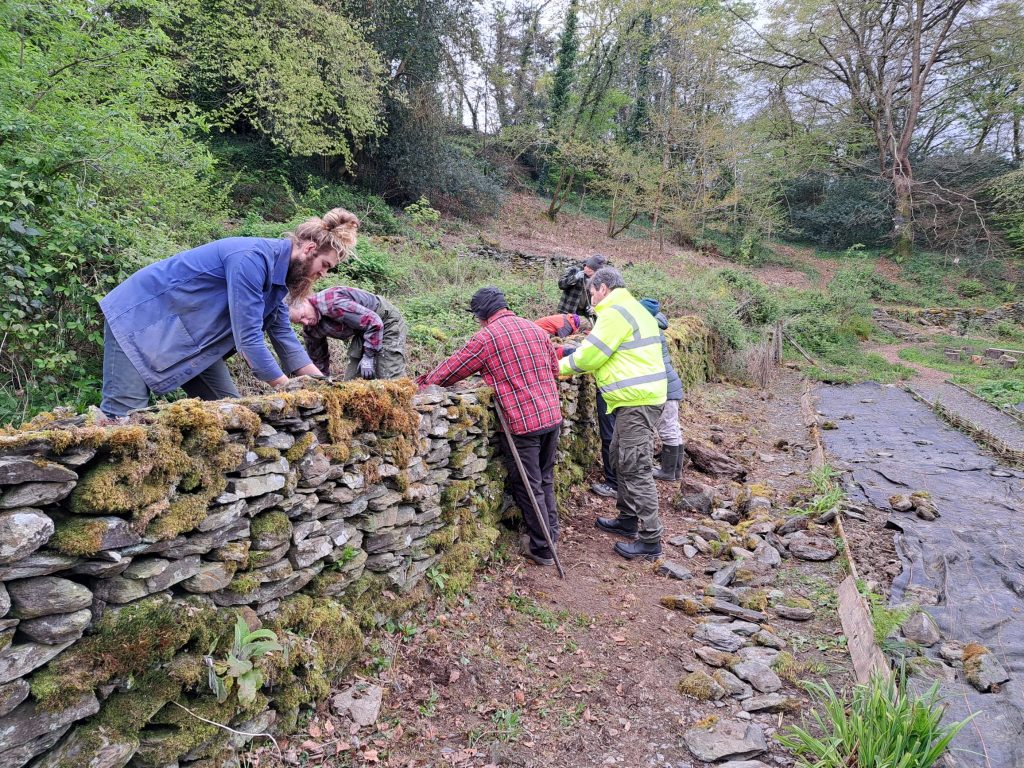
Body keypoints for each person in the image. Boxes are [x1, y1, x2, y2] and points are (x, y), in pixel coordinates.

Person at [98, 208, 360, 417]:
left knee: (230, 415)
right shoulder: (251, 260)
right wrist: (286, 388)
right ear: (309, 249)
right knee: (123, 418)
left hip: (193, 339)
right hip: (139, 320)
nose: (324, 273)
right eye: (325, 265)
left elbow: (284, 337)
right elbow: (248, 338)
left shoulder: (279, 280)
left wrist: (325, 388)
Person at [417, 287, 562, 567]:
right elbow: (554, 370)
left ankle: (543, 548)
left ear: (482, 315)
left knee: (528, 484)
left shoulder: (487, 338)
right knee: (544, 479)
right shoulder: (535, 330)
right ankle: (550, 536)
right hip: (552, 416)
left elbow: (451, 370)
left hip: (523, 423)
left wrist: (421, 384)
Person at [559, 267, 668, 560]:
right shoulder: (630, 308)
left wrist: (554, 369)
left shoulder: (615, 312)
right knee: (621, 458)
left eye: (591, 292)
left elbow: (591, 355)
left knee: (635, 467)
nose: (590, 298)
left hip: (637, 402)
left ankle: (650, 539)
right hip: (634, 400)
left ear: (603, 288)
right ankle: (627, 520)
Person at [290, 286, 407, 380]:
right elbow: (318, 360)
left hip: (385, 321)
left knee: (388, 375)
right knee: (353, 381)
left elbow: (374, 322)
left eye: (303, 316)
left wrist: (368, 356)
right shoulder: (310, 328)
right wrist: (322, 383)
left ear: (305, 300)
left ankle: (407, 406)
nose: (305, 322)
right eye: (299, 322)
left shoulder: (332, 303)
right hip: (363, 331)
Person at [639, 298, 685, 481]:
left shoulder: (650, 332)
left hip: (665, 385)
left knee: (667, 429)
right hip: (670, 383)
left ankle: (668, 472)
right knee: (673, 427)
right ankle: (675, 471)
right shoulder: (657, 328)